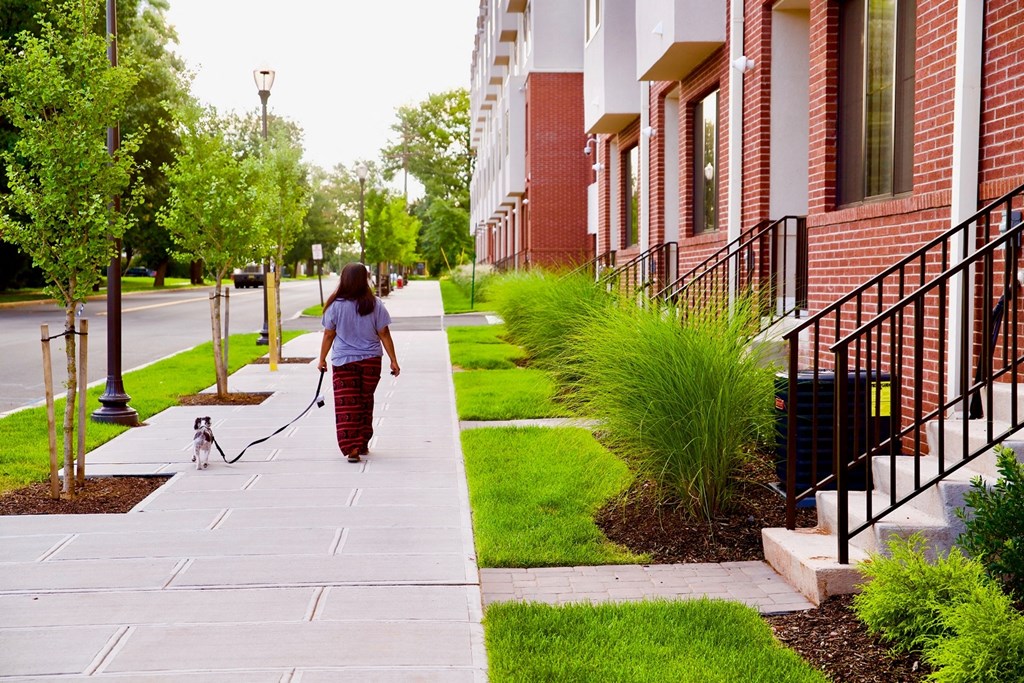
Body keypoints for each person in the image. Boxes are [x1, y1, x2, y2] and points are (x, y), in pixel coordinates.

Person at [318, 263, 400, 462]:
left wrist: (322, 359)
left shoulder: (335, 305)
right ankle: (362, 442)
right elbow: (384, 333)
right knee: (365, 400)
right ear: (365, 279)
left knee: (347, 404)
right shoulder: (375, 304)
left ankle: (352, 448)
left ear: (344, 279)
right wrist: (393, 360)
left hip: (343, 361)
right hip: (371, 361)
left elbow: (329, 334)